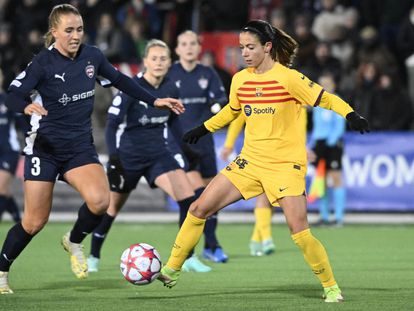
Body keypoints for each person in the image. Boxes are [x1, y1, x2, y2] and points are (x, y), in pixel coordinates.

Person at [158, 20, 369, 303]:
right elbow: (232, 111)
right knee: (198, 208)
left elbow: (326, 98)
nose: (244, 53)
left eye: (250, 47)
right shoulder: (240, 79)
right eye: (241, 47)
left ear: (267, 47)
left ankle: (331, 286)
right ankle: (172, 268)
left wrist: (351, 115)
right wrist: (204, 128)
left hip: (284, 165)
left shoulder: (289, 78)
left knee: (299, 231)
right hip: (250, 162)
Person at [0, 4, 184, 295]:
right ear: (54, 32)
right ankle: (1, 272)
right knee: (34, 222)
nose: (76, 35)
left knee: (100, 202)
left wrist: (154, 100)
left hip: (78, 148)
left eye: (80, 29)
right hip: (44, 148)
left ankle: (73, 241)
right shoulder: (42, 64)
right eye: (69, 30)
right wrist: (24, 105)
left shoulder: (92, 56)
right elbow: (12, 95)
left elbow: (121, 81)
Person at [86, 39, 211, 273]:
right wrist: (114, 158)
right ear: (145, 62)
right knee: (111, 209)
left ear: (169, 62)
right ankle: (93, 255)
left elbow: (172, 120)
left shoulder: (171, 88)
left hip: (158, 155)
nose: (158, 63)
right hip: (130, 157)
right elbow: (112, 125)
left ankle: (187, 257)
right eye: (154, 58)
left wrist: (186, 148)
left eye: (163, 58)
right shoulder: (132, 88)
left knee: (188, 199)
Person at [167, 30, 229, 263]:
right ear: (177, 49)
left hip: (204, 142)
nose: (189, 47)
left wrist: (215, 108)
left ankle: (210, 245)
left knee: (211, 198)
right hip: (179, 144)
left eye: (193, 43)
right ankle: (188, 251)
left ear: (198, 47)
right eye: (184, 43)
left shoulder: (207, 73)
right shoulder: (170, 73)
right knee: (196, 196)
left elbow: (221, 101)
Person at [220, 115, 275, 257]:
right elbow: (237, 117)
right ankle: (267, 239)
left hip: (281, 151)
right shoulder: (253, 95)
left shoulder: (285, 98)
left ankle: (256, 239)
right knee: (265, 194)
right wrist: (228, 144)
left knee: (274, 200)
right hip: (257, 152)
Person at [309, 73, 346, 226]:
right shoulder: (317, 104)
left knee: (336, 178)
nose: (324, 87)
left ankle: (338, 217)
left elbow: (340, 125)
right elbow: (316, 127)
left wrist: (331, 141)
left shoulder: (336, 101)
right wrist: (313, 144)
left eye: (327, 84)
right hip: (319, 144)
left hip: (333, 144)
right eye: (321, 84)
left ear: (333, 85)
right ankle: (324, 216)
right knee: (321, 179)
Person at [0, 68, 22, 224]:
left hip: (9, 150)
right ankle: (19, 221)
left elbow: (22, 124)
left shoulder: (7, 100)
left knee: (1, 189)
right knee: (4, 190)